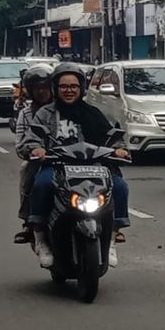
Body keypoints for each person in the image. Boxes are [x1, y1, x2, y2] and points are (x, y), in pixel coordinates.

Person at [21, 63, 131, 269]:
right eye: (63, 86)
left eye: (73, 86)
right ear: (56, 88)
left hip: (95, 166)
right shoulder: (44, 113)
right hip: (57, 166)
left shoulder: (94, 113)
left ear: (81, 88)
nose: (69, 90)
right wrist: (36, 149)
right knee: (41, 184)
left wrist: (119, 149)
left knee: (120, 186)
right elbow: (31, 138)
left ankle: (113, 236)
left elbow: (113, 137)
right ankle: (40, 237)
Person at [13, 64, 55, 245]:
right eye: (37, 89)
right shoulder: (26, 114)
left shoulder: (62, 108)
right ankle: (28, 220)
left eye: (45, 88)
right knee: (26, 172)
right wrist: (33, 151)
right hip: (39, 161)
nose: (42, 92)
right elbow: (20, 143)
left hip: (68, 159)